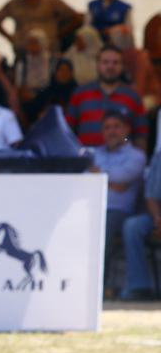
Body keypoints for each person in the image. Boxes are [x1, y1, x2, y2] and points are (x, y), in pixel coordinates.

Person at [91, 112, 146, 297]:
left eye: (116, 126)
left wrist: (97, 174)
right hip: (90, 209)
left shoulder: (137, 156)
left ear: (126, 130)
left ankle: (96, 288)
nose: (112, 131)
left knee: (102, 226)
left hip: (119, 212)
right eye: (107, 127)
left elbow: (122, 181)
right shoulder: (93, 154)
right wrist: (109, 180)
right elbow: (83, 178)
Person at [67, 45, 148, 150]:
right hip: (87, 160)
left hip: (122, 162)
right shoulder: (80, 93)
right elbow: (67, 130)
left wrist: (139, 161)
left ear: (122, 66)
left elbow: (140, 134)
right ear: (97, 65)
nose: (110, 66)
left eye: (115, 62)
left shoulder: (132, 96)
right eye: (105, 62)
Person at [121, 149, 161, 300]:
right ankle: (139, 287)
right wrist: (157, 219)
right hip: (159, 216)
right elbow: (151, 196)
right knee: (132, 226)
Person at [14, 29, 54, 124]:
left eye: (35, 42)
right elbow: (19, 86)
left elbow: (53, 84)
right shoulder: (23, 63)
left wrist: (38, 95)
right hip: (28, 103)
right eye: (29, 43)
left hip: (47, 101)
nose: (31, 46)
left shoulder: (52, 61)